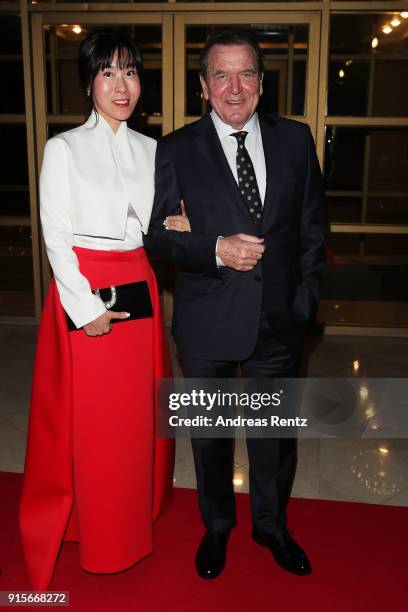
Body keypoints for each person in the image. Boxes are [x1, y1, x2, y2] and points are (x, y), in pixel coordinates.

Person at [144, 30, 327, 579]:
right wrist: (214, 248)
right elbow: (157, 237)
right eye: (220, 74)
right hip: (206, 319)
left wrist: (306, 299)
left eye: (246, 73)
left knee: (274, 436)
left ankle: (271, 526)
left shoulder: (296, 140)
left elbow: (313, 228)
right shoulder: (176, 148)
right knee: (210, 436)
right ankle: (217, 527)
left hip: (279, 318)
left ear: (262, 83)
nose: (234, 86)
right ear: (203, 85)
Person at [19, 30, 174, 590]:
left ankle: (132, 521)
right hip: (83, 290)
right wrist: (85, 309)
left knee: (135, 418)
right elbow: (56, 237)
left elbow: (153, 228)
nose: (120, 85)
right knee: (92, 423)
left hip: (140, 286)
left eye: (129, 72)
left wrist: (175, 227)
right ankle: (95, 531)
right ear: (89, 82)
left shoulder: (153, 150)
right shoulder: (63, 148)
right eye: (107, 72)